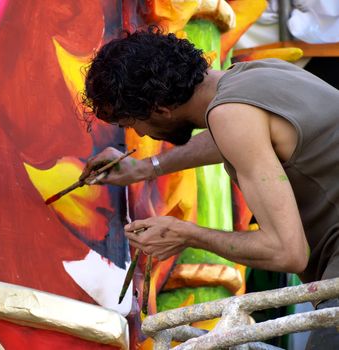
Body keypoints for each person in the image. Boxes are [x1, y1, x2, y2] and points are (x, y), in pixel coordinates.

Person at [80, 27, 339, 348]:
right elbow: (235, 140)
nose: (141, 136)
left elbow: (287, 252)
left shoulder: (231, 116)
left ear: (160, 109)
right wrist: (145, 168)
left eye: (133, 124)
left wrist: (187, 234)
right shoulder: (255, 75)